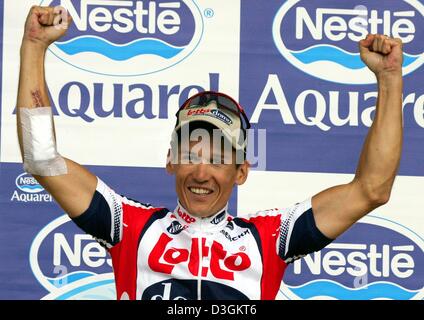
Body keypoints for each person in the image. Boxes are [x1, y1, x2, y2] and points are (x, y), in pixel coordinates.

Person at [16, 6, 403, 300]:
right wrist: (34, 47)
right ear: (170, 159)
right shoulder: (131, 228)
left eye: (219, 157)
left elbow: (372, 189)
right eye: (190, 152)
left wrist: (388, 80)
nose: (202, 172)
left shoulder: (270, 239)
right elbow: (41, 158)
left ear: (241, 172)